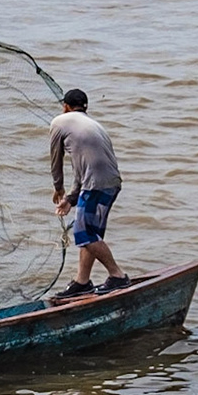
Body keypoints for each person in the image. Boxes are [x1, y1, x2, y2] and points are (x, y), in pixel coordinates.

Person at [49, 88, 129, 298]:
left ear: (65, 106)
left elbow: (55, 161)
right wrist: (71, 199)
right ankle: (82, 281)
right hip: (111, 183)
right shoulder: (94, 125)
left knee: (84, 233)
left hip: (96, 184)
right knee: (90, 232)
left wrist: (58, 189)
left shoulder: (59, 122)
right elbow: (83, 168)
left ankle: (117, 276)